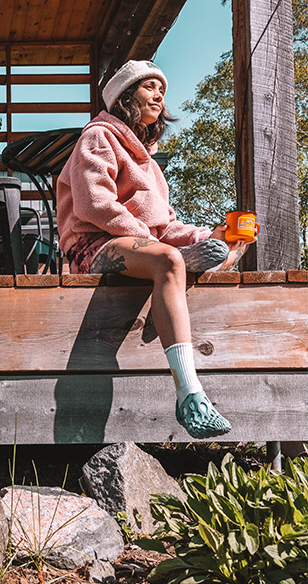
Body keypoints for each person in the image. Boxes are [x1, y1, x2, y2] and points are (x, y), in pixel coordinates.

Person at [57, 59, 251, 439]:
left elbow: (165, 225)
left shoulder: (151, 167)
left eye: (161, 88)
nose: (159, 94)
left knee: (201, 251)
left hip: (139, 246)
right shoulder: (97, 137)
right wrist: (155, 243)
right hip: (92, 244)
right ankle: (189, 394)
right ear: (125, 97)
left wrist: (210, 236)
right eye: (149, 87)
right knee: (166, 257)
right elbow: (95, 205)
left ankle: (209, 257)